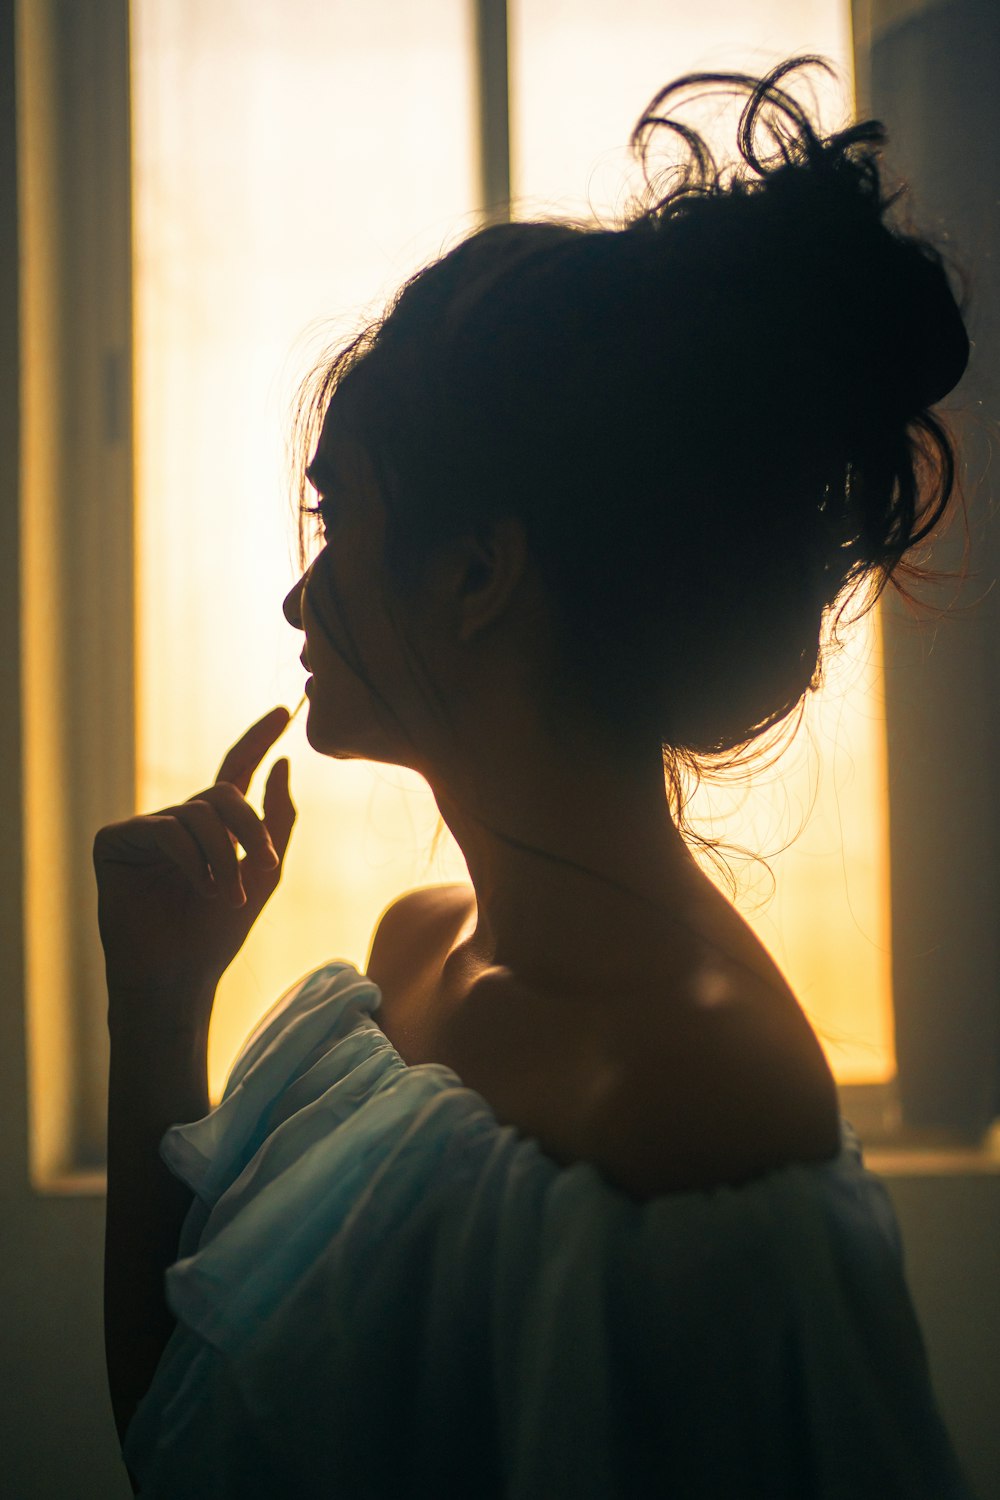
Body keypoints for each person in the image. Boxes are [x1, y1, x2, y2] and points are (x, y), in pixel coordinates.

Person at [95, 57, 978, 1498]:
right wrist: (156, 993)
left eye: (341, 521)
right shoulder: (410, 958)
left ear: (482, 570)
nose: (298, 602)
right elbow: (183, 1437)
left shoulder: (696, 1106)